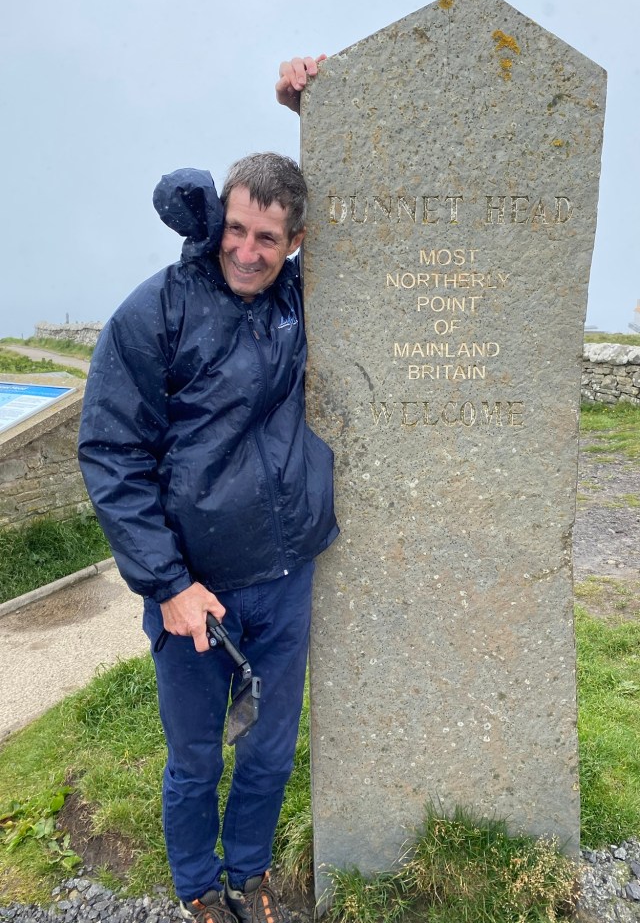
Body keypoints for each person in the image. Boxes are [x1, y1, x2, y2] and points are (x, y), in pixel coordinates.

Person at [78, 56, 334, 923]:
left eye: (268, 239)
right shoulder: (154, 311)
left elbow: (370, 215)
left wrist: (311, 110)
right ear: (218, 219)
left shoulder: (300, 299)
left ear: (294, 244)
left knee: (268, 752)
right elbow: (110, 453)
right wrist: (167, 584)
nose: (247, 252)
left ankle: (248, 875)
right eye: (237, 229)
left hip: (286, 576)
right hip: (195, 588)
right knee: (195, 759)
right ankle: (196, 886)